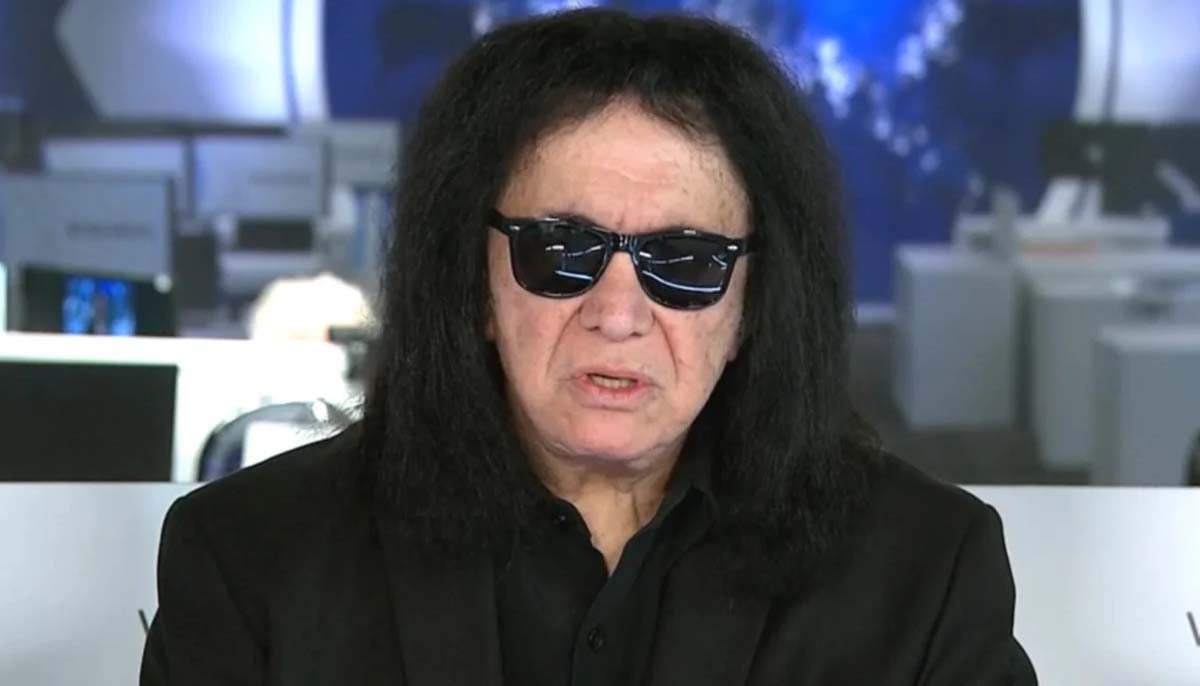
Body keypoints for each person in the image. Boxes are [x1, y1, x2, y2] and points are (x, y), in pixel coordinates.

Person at [141, 8, 1036, 685]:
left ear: (755, 303)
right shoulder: (250, 557)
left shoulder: (926, 569)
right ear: (474, 284)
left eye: (684, 261)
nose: (617, 313)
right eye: (560, 251)